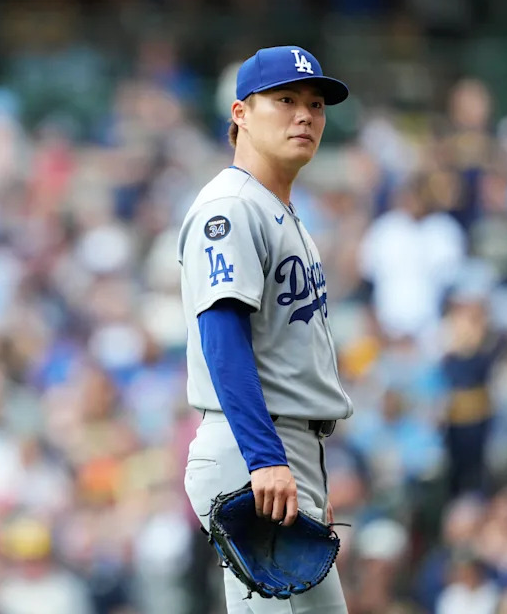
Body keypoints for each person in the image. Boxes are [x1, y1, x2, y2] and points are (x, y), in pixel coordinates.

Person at [179, 45, 353, 613]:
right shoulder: (230, 206)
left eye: (315, 103)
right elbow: (222, 337)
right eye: (284, 100)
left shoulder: (278, 211)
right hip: (254, 445)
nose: (305, 114)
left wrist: (302, 473)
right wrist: (267, 460)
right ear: (240, 114)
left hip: (282, 447)